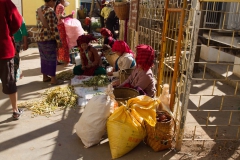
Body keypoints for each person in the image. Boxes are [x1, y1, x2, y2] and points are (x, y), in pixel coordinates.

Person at [0, 0, 23, 120]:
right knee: (9, 80)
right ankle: (15, 110)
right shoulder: (5, 3)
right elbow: (17, 22)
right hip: (3, 49)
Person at [36, 0, 63, 85]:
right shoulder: (50, 11)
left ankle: (45, 76)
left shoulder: (39, 9)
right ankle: (53, 79)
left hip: (40, 38)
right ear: (51, 1)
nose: (55, 3)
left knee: (44, 58)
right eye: (55, 1)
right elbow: (53, 28)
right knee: (52, 58)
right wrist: (59, 41)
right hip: (48, 39)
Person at [54, 0, 73, 67]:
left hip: (57, 26)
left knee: (59, 43)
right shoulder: (61, 6)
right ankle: (65, 61)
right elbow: (60, 17)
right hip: (60, 26)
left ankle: (59, 60)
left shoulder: (57, 6)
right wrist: (69, 16)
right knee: (64, 43)